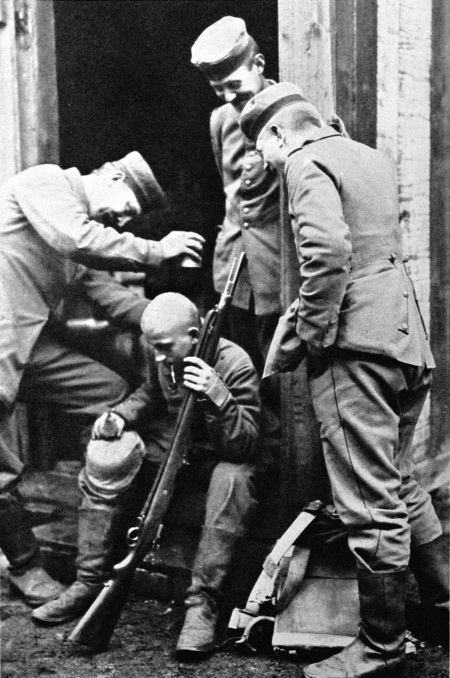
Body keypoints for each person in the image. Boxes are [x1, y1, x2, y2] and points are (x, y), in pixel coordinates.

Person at [239, 83, 449, 677]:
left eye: (262, 149)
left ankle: (382, 647)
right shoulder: (368, 157)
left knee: (367, 497)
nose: (266, 162)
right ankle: (444, 606)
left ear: (278, 133)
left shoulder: (305, 162)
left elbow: (328, 255)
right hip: (405, 337)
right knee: (396, 479)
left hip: (356, 348)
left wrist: (312, 337)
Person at [0, 152, 205, 608]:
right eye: (127, 208)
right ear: (112, 175)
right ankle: (25, 566)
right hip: (1, 340)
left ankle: (98, 522)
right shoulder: (46, 183)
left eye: (130, 218)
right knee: (1, 468)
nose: (123, 220)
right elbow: (75, 239)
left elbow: (111, 297)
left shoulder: (81, 237)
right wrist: (157, 250)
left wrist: (184, 323)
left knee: (110, 395)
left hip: (30, 346)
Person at [32, 292, 261, 661]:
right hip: (175, 451)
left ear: (193, 335)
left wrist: (219, 397)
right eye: (152, 346)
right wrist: (120, 416)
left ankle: (202, 605)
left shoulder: (234, 363)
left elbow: (244, 446)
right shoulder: (163, 352)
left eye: (165, 347)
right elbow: (152, 394)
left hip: (218, 457)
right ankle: (89, 582)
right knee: (108, 456)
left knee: (232, 478)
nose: (156, 356)